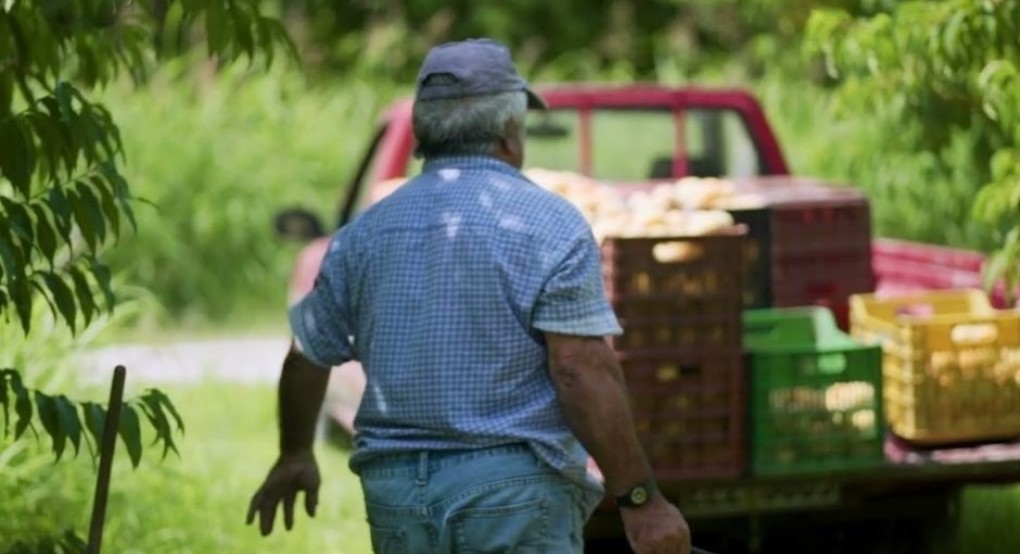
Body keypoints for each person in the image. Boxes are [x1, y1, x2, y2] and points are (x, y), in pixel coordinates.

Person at [246, 38, 692, 554]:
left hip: (397, 498)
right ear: (509, 132)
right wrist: (640, 500)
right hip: (512, 494)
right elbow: (578, 369)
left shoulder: (362, 235)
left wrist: (295, 453)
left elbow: (306, 356)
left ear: (424, 135)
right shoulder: (550, 224)